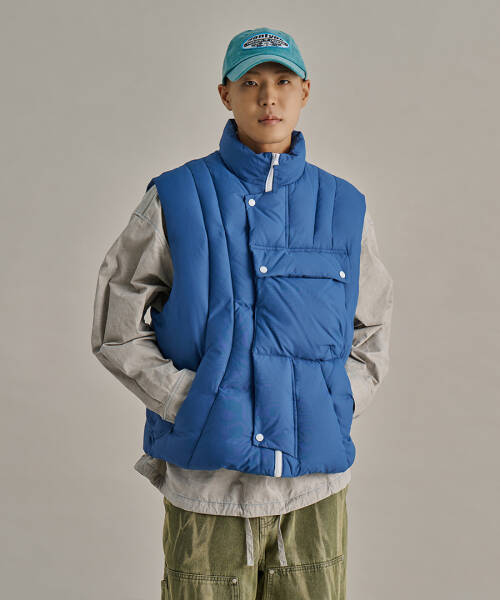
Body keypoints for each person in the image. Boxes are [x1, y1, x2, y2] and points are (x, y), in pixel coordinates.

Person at [91, 26, 394, 600]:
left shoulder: (345, 207)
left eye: (282, 81)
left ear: (305, 92)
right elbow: (117, 326)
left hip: (315, 491)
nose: (268, 97)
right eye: (250, 82)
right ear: (225, 95)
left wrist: (336, 401)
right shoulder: (176, 197)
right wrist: (187, 401)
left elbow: (372, 329)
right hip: (208, 489)